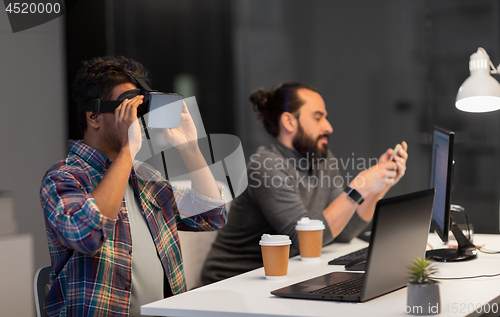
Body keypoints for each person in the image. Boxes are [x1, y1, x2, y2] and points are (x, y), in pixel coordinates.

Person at [39, 56, 227, 317]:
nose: (137, 119)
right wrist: (129, 149)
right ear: (93, 117)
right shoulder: (64, 177)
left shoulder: (145, 177)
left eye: (139, 109)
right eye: (127, 108)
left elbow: (211, 217)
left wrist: (190, 149)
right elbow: (88, 234)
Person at [201, 82, 407, 284]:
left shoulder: (322, 158)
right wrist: (360, 187)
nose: (329, 127)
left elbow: (343, 232)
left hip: (281, 277)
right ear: (289, 122)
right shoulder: (266, 165)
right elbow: (303, 241)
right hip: (234, 282)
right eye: (318, 118)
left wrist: (379, 188)